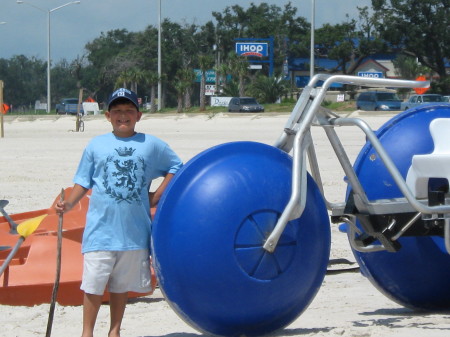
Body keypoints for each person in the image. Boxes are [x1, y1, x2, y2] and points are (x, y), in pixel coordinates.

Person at [55, 88, 183, 337]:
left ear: (139, 115)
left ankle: (115, 331)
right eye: (117, 111)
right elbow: (83, 180)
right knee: (93, 284)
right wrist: (69, 203)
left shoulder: (151, 144)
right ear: (107, 115)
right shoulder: (97, 145)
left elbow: (176, 166)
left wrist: (156, 196)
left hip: (134, 232)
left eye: (128, 111)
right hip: (100, 230)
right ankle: (87, 332)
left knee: (121, 285)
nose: (123, 116)